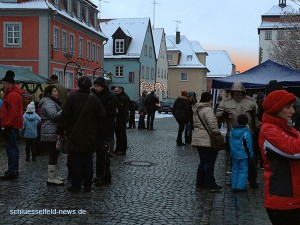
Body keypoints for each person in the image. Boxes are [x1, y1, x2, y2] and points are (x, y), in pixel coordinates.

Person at [57, 76, 106, 192]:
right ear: (90, 86)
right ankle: (88, 185)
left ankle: (76, 184)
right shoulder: (94, 99)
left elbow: (64, 117)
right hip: (90, 134)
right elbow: (102, 115)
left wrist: (60, 132)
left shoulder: (72, 98)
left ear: (78, 85)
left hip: (75, 134)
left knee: (76, 160)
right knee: (88, 159)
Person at [259, 90, 300, 225]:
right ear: (276, 109)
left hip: (293, 197)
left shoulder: (286, 128)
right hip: (282, 199)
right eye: (288, 107)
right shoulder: (268, 130)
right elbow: (294, 150)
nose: (293, 111)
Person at [215, 81, 259, 188]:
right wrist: (223, 114)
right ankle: (235, 179)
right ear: (232, 91)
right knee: (233, 158)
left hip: (248, 134)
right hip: (232, 135)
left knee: (251, 158)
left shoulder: (251, 101)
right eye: (235, 92)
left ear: (243, 91)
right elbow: (217, 114)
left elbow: (256, 117)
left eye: (239, 92)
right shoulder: (225, 102)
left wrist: (258, 128)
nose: (237, 94)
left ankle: (252, 179)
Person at [191, 92, 222, 191]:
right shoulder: (208, 109)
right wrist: (217, 134)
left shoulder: (196, 109)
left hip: (198, 138)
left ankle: (200, 183)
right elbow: (212, 124)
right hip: (207, 139)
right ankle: (210, 184)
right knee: (209, 162)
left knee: (203, 161)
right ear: (210, 100)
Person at [91, 77, 117, 186]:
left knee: (104, 154)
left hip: (106, 129)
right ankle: (99, 175)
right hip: (98, 129)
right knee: (99, 153)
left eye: (97, 86)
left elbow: (108, 111)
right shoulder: (97, 95)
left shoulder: (110, 96)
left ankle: (105, 177)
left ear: (103, 86)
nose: (95, 88)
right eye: (95, 86)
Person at [0, 70, 23, 180]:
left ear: (10, 84)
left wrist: (8, 126)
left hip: (11, 126)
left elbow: (13, 112)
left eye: (4, 83)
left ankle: (12, 171)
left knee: (11, 148)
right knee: (13, 148)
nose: (3, 85)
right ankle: (13, 170)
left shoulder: (12, 95)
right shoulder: (11, 94)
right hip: (12, 125)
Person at [38, 85, 64, 186]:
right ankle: (51, 178)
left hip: (51, 131)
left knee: (55, 154)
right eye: (54, 91)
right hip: (50, 131)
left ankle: (53, 176)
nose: (56, 93)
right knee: (53, 154)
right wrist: (64, 110)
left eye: (56, 91)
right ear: (49, 93)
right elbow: (53, 116)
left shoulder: (50, 101)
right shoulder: (48, 102)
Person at [229, 114, 253, 192]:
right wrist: (251, 155)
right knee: (243, 170)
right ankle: (240, 186)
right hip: (243, 155)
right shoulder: (246, 132)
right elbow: (249, 145)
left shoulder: (232, 131)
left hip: (234, 154)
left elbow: (230, 143)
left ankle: (234, 185)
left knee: (235, 169)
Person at [113, 86, 129, 155]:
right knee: (119, 135)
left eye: (116, 91)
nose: (115, 92)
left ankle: (122, 149)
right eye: (114, 91)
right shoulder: (120, 97)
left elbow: (120, 109)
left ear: (120, 91)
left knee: (121, 135)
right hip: (120, 119)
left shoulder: (122, 98)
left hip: (121, 119)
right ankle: (118, 148)